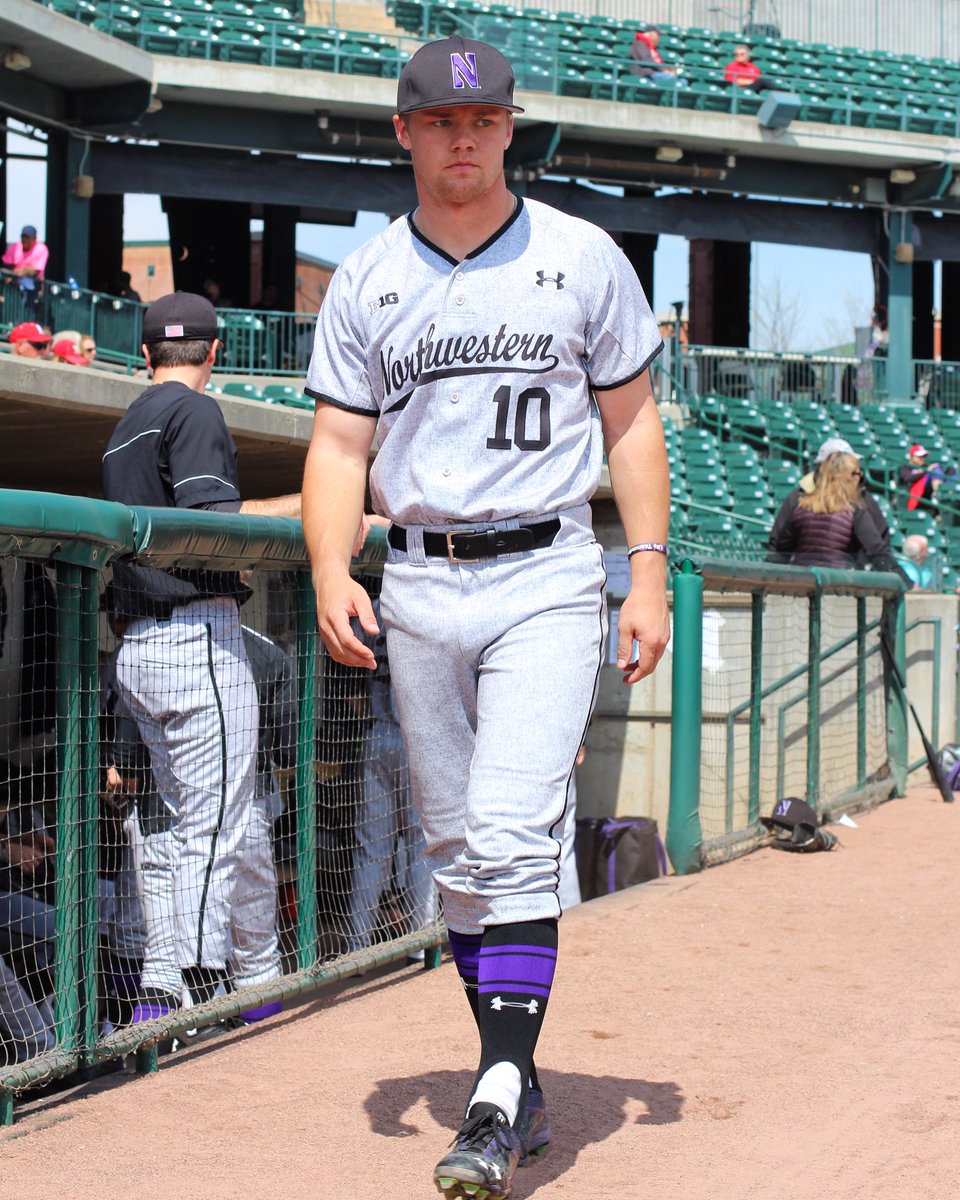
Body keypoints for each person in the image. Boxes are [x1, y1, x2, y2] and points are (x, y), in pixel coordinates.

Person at [301, 36, 669, 1200]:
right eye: (442, 121)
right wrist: (325, 569)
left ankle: (499, 1094)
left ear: (509, 129)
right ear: (404, 133)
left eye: (486, 119)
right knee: (460, 854)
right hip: (416, 578)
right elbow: (337, 445)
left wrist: (647, 571)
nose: (466, 136)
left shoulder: (581, 254)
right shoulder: (368, 278)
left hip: (547, 572)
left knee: (512, 825)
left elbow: (631, 425)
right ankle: (515, 1073)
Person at [101, 291, 301, 1019]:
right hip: (194, 639)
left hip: (140, 646)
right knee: (214, 831)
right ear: (214, 353)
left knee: (202, 826)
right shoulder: (197, 411)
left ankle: (247, 982)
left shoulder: (126, 423)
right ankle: (173, 986)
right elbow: (213, 527)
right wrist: (309, 509)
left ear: (146, 353)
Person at [343, 592, 436, 958]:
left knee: (373, 850)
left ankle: (357, 948)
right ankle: (419, 943)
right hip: (419, 739)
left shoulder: (374, 608)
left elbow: (346, 675)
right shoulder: (430, 601)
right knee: (419, 845)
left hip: (378, 734)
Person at [767, 450, 895, 569]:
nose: (859, 478)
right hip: (839, 582)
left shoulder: (801, 503)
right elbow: (876, 550)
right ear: (846, 476)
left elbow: (781, 549)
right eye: (857, 473)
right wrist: (903, 582)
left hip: (804, 580)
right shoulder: (854, 508)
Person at [2, 225, 48, 316]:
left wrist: (20, 271)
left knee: (28, 312)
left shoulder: (41, 248)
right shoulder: (14, 247)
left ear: (34, 238)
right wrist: (16, 272)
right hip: (13, 286)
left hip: (33, 287)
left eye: (28, 237)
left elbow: (35, 271)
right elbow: (6, 265)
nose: (25, 239)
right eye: (23, 236)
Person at [899, 443, 940, 512]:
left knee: (942, 469)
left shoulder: (926, 466)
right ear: (912, 456)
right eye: (919, 456)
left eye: (924, 456)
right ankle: (937, 494)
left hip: (927, 494)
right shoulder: (906, 467)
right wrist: (926, 471)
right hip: (915, 495)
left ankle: (939, 494)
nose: (922, 458)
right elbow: (907, 478)